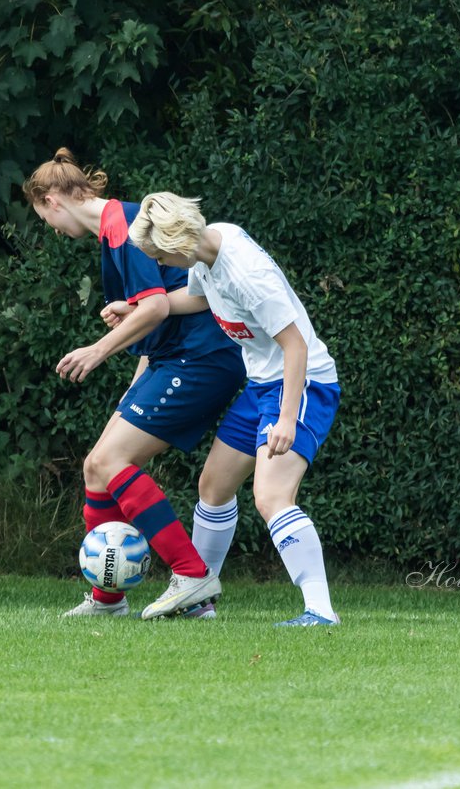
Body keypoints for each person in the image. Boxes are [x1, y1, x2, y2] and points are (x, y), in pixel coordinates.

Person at [22, 150, 246, 620]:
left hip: (202, 359)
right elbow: (152, 313)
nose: (52, 229)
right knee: (95, 467)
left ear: (51, 201)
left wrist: (96, 351)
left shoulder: (123, 225)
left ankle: (192, 575)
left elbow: (157, 309)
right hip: (175, 359)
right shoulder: (114, 228)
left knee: (109, 459)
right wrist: (135, 385)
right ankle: (108, 599)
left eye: (45, 218)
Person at [120, 192, 342, 626]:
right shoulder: (205, 253)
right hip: (262, 384)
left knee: (272, 496)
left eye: (157, 255)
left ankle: (320, 610)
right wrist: (135, 310)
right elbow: (196, 299)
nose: (158, 263)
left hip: (301, 382)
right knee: (213, 485)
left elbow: (295, 346)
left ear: (175, 244)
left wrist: (285, 418)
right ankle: (198, 595)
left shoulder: (246, 273)